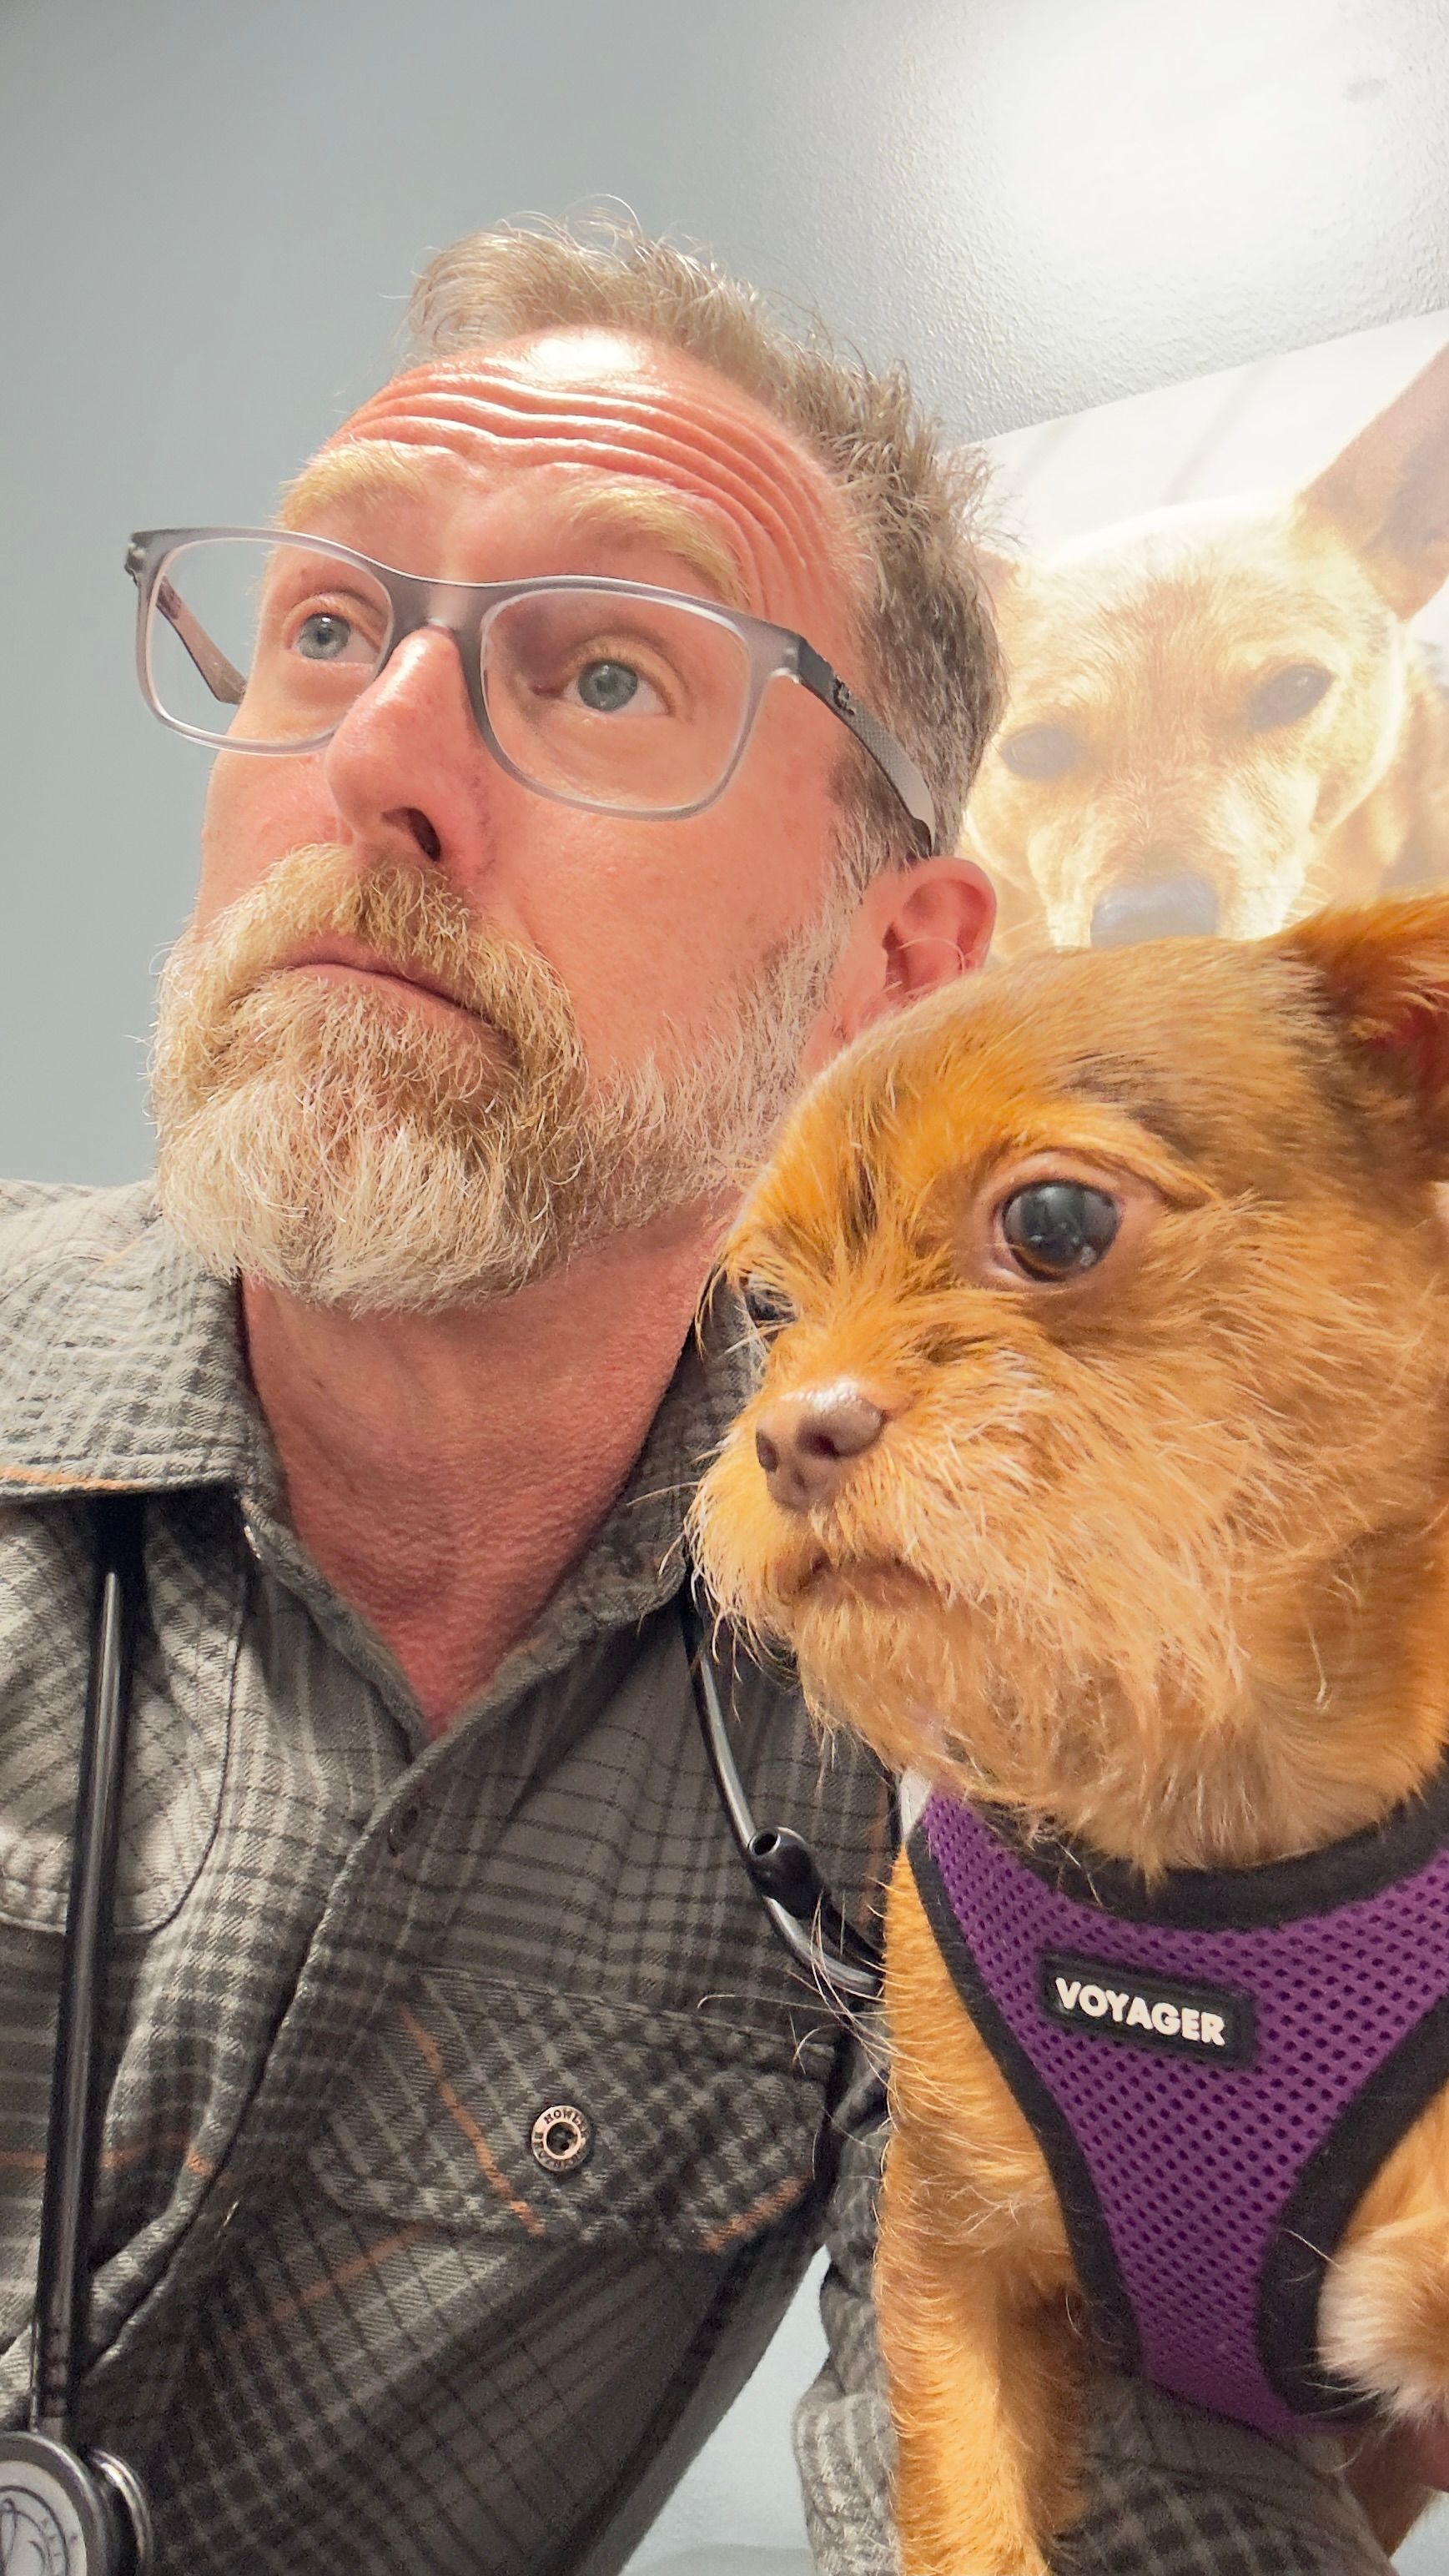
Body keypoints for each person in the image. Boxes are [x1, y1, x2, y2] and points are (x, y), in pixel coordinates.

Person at [0, 214, 1434, 2576]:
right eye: (329, 623)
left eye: (601, 674)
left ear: (892, 968)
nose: (376, 760)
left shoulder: (960, 1698)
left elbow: (1058, 2434)